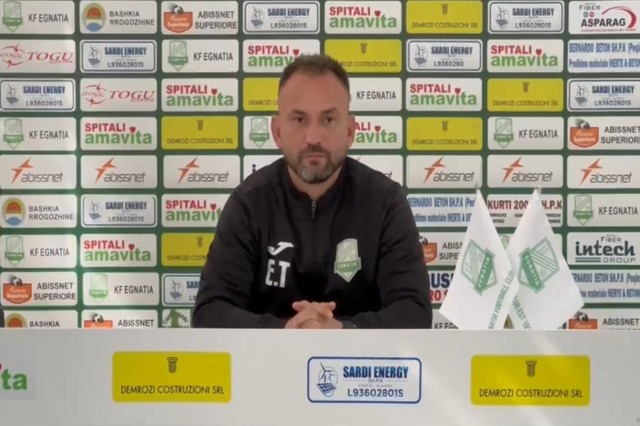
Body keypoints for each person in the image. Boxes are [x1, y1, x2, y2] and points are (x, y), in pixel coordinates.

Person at [192, 54, 432, 329]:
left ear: (350, 131)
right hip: (270, 357)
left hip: (360, 358)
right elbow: (210, 312)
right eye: (299, 119)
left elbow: (414, 313)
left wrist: (343, 331)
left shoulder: (385, 202)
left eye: (328, 119)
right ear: (277, 132)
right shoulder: (249, 203)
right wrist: (285, 331)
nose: (313, 138)